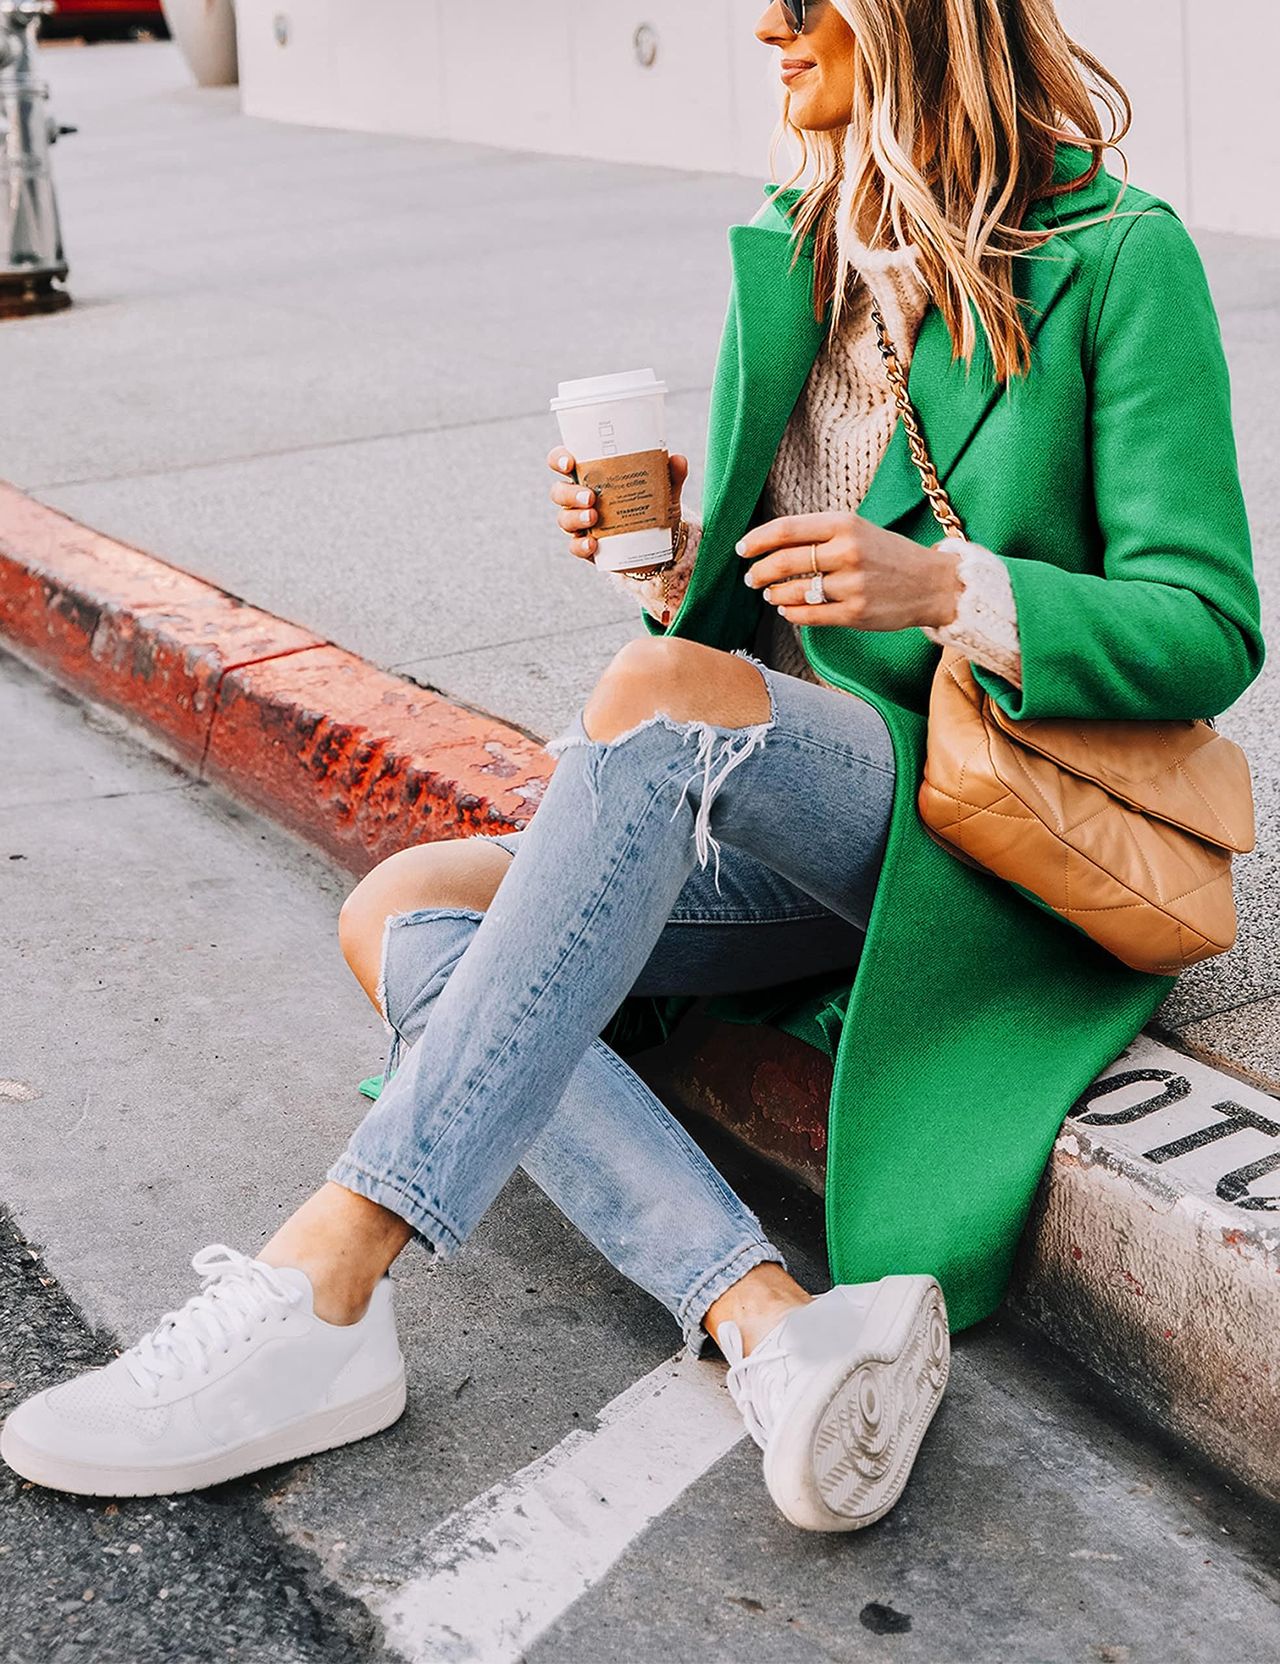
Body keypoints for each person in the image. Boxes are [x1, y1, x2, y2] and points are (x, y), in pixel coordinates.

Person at [1, 1, 1262, 1534]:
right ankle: (766, 1324)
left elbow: (1208, 625)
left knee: (656, 705)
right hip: (776, 808)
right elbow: (754, 616)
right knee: (402, 909)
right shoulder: (799, 242)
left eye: (803, 3)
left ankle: (328, 1279)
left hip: (975, 826)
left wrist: (950, 590)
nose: (766, 27)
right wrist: (670, 544)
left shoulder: (1115, 256)